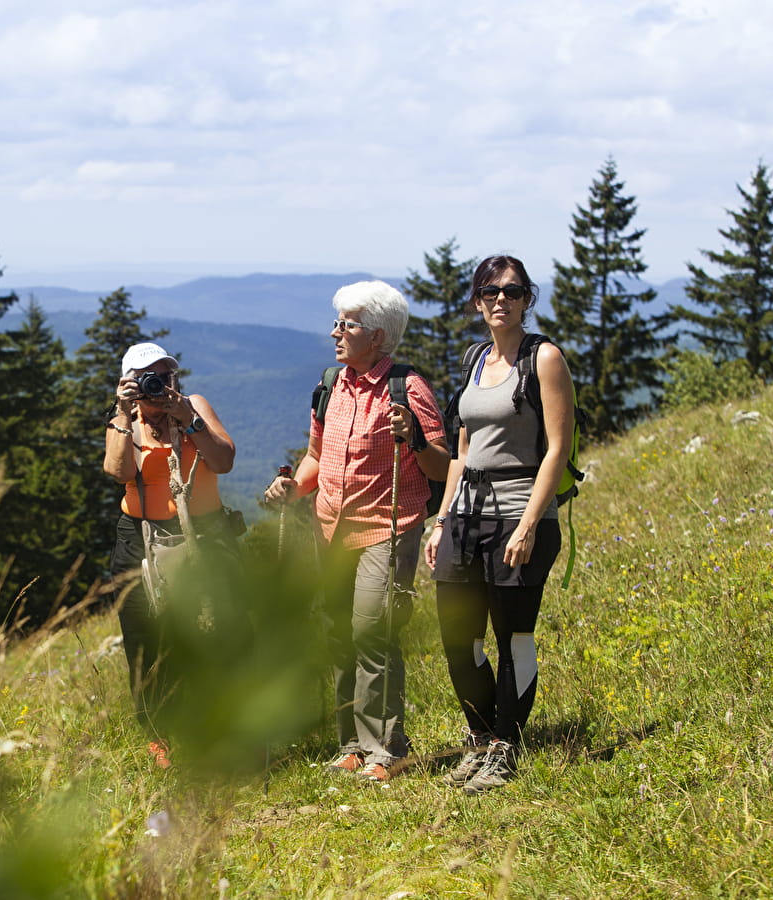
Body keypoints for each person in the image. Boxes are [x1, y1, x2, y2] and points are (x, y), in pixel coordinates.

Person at [264, 281, 451, 784]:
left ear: (379, 335)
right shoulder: (332, 385)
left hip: (385, 529)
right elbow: (317, 457)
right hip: (330, 529)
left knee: (373, 633)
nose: (335, 333)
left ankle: (385, 747)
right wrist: (292, 488)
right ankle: (352, 742)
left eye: (346, 324)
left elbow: (440, 467)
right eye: (338, 322)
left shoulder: (408, 389)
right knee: (339, 634)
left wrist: (411, 436)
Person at [424, 255, 574, 795]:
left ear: (527, 298)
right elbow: (462, 451)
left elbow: (557, 448)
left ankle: (507, 747)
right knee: (457, 637)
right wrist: (441, 520)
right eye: (490, 291)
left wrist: (530, 523)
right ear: (477, 300)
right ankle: (481, 738)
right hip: (466, 514)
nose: (501, 300)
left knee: (513, 637)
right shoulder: (475, 359)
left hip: (519, 509)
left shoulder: (545, 359)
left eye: (513, 291)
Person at [104, 342, 237, 769]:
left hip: (206, 532)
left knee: (224, 627)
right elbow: (119, 472)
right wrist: (124, 414)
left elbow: (224, 459)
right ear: (128, 383)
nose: (158, 385)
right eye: (148, 377)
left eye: (166, 375)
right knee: (145, 636)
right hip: (140, 537)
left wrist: (188, 419)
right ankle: (161, 735)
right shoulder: (124, 421)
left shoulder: (193, 406)